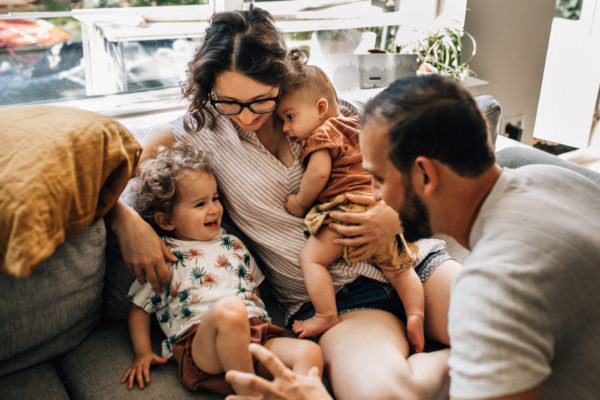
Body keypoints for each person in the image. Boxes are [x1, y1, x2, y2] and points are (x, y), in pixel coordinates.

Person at [107, 7, 461, 399]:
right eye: (230, 102)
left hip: (411, 260)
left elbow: (414, 174)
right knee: (384, 395)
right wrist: (124, 221)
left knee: (521, 330)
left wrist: (396, 216)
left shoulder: (320, 105)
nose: (246, 116)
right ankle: (452, 364)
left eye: (261, 100)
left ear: (280, 77)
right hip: (335, 302)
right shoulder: (198, 129)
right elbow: (107, 173)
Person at [225, 74, 600, 400]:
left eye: (379, 179)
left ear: (425, 175)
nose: (372, 197)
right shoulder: (558, 179)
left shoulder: (492, 289)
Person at [120, 144, 323, 395]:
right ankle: (249, 393)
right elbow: (139, 308)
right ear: (166, 220)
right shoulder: (164, 255)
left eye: (215, 198)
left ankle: (300, 393)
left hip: (255, 334)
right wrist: (143, 352)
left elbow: (255, 289)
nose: (214, 208)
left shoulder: (234, 244)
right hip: (201, 345)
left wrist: (258, 319)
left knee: (310, 352)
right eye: (200, 204)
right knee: (231, 310)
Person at [277, 62, 425, 351]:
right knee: (401, 271)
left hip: (346, 210)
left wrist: (299, 202)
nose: (285, 128)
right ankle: (416, 314)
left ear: (320, 108)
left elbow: (318, 174)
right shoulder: (361, 126)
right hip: (380, 211)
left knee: (312, 259)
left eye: (290, 116)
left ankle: (326, 315)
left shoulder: (323, 133)